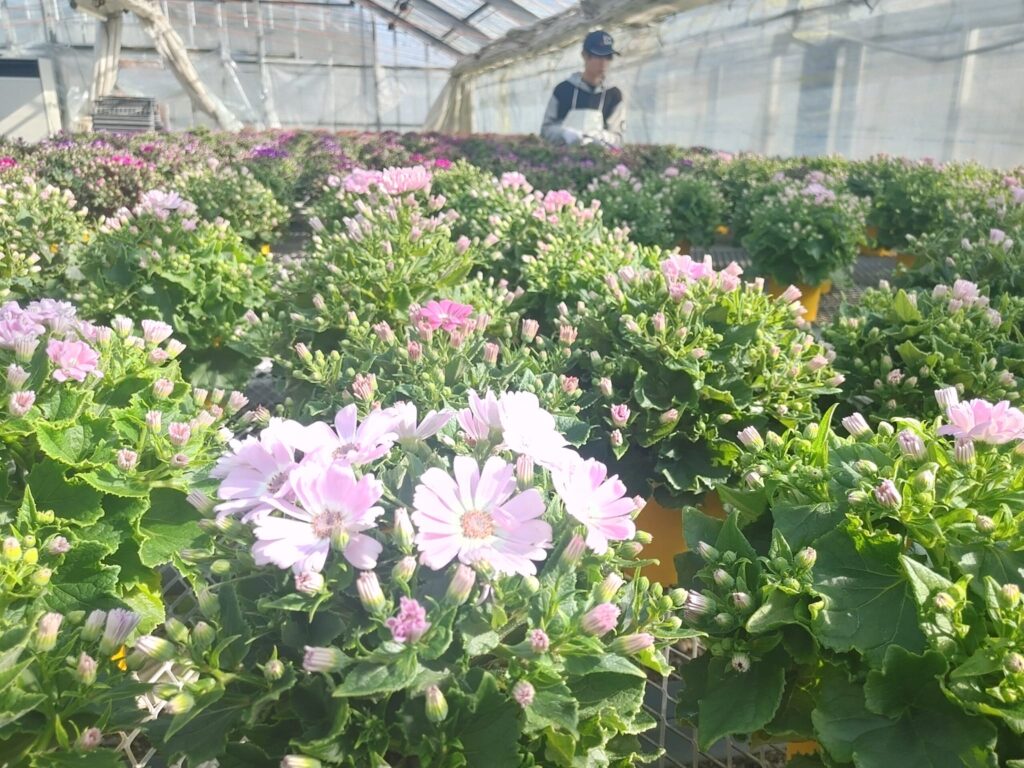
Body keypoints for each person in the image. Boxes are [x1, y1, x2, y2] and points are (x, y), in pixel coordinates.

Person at [541, 30, 625, 147]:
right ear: (584, 55)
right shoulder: (563, 90)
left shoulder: (613, 95)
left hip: (600, 156)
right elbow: (546, 129)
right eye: (598, 56)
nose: (603, 62)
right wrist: (564, 134)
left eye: (608, 57)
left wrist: (603, 137)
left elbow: (618, 137)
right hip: (563, 155)